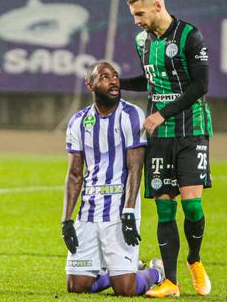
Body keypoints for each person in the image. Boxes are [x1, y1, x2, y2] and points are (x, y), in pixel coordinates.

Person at [120, 0, 213, 298]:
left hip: (191, 130)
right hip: (159, 137)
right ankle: (170, 281)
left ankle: (195, 259)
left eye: (139, 13)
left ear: (157, 6)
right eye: (134, 15)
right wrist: (115, 83)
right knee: (164, 210)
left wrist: (163, 113)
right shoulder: (141, 41)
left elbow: (200, 85)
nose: (136, 21)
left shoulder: (190, 36)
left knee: (193, 206)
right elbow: (149, 81)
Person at [61, 61, 164, 296]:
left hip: (120, 210)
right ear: (91, 85)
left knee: (125, 290)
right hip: (89, 210)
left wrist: (128, 212)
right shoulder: (78, 121)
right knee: (76, 287)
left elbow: (135, 168)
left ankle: (157, 272)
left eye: (115, 76)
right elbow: (75, 174)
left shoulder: (131, 115)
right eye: (105, 77)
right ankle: (119, 270)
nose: (114, 81)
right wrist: (66, 220)